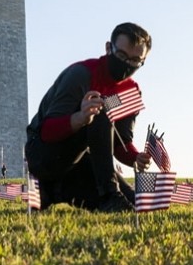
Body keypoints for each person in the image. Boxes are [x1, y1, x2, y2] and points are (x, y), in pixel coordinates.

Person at [25, 22, 153, 213]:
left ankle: (53, 191)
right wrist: (80, 118)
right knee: (100, 110)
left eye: (135, 60)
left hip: (82, 159)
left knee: (134, 203)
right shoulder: (81, 75)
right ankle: (109, 195)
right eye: (121, 56)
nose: (126, 64)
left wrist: (136, 157)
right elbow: (47, 131)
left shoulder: (130, 91)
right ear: (108, 48)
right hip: (44, 152)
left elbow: (120, 143)